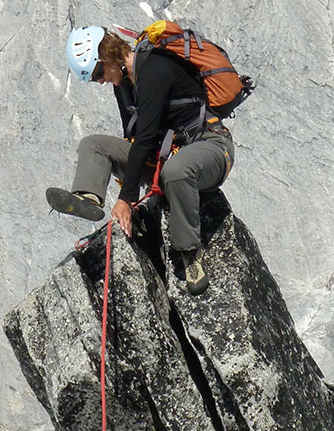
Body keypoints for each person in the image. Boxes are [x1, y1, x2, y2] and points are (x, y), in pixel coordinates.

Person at [46, 25, 235, 295]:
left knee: (176, 172)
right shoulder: (123, 85)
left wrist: (126, 197)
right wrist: (129, 191)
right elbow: (134, 139)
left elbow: (145, 138)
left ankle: (190, 255)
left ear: (106, 54)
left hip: (210, 146)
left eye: (98, 72)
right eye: (94, 78)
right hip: (165, 154)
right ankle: (88, 197)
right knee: (93, 145)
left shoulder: (155, 68)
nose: (100, 80)